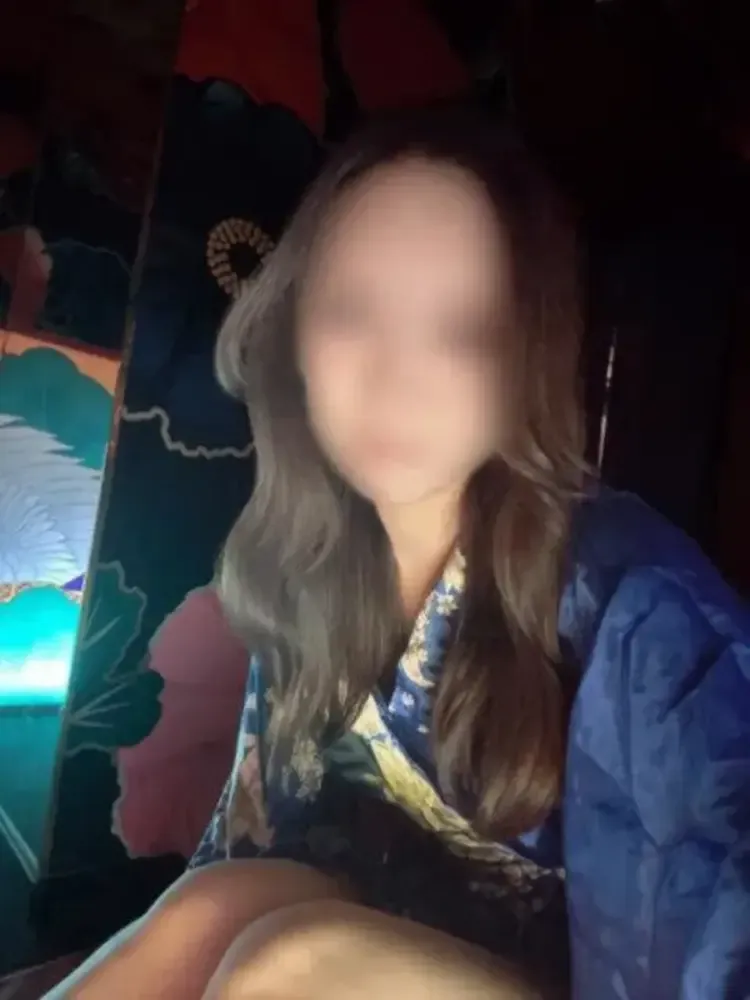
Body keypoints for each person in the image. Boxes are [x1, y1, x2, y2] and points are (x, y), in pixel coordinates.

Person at [46, 108, 750, 1000]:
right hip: (328, 946)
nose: (396, 377)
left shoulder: (638, 609)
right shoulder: (309, 568)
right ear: (295, 334)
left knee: (295, 962)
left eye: (462, 330)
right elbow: (252, 857)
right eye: (352, 312)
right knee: (214, 907)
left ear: (525, 362)